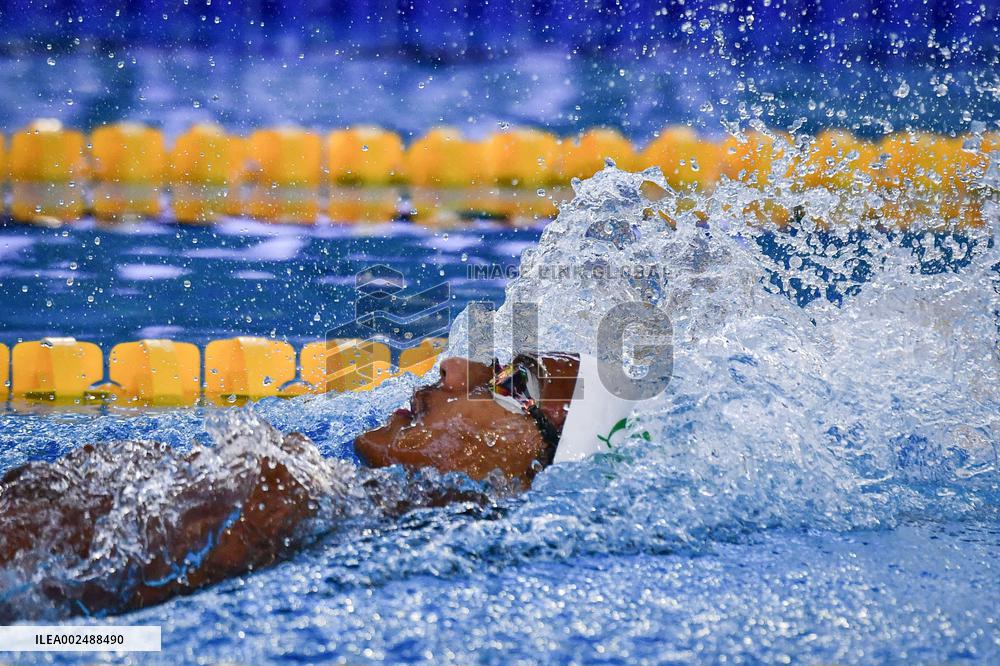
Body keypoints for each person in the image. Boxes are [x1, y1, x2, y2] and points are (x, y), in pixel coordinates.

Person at [0, 354, 580, 620]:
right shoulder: (309, 499)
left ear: (528, 470)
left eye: (514, 380)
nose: (457, 366)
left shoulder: (281, 494)